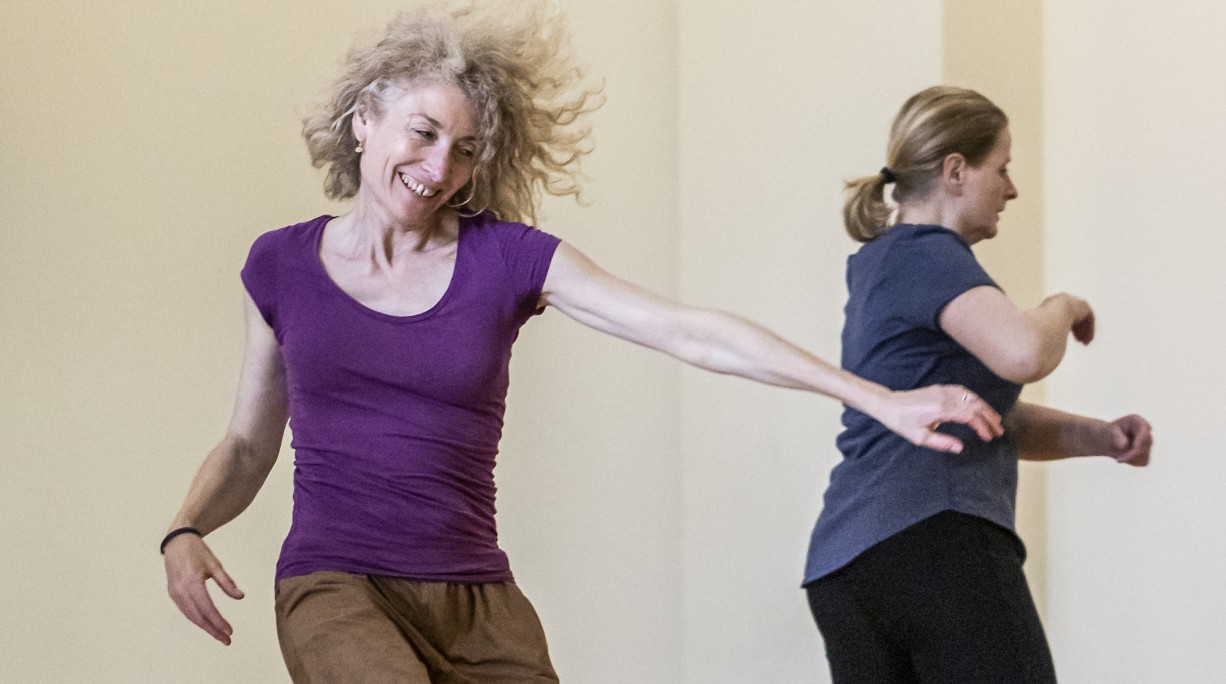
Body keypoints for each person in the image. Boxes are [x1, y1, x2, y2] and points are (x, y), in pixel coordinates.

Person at [161, 6, 1003, 681]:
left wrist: (877, 399)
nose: (439, 167)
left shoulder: (505, 260)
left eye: (464, 150)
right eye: (421, 133)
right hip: (335, 580)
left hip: (479, 598)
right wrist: (185, 529)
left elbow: (687, 330)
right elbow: (247, 444)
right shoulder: (280, 266)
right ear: (363, 121)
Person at [802, 85, 1154, 684]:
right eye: (1003, 168)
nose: (1011, 190)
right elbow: (1023, 351)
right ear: (956, 171)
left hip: (846, 567)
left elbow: (984, 417)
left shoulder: (882, 263)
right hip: (933, 539)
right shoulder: (927, 254)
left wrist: (1100, 438)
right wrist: (1064, 305)